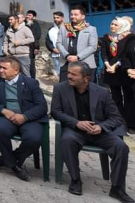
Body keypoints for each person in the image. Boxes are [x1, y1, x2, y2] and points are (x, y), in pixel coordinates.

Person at [51, 62, 132, 201]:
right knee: (67, 140)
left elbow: (116, 117)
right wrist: (76, 123)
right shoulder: (60, 88)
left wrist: (101, 127)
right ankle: (75, 180)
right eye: (68, 73)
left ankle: (117, 188)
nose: (68, 76)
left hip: (99, 132)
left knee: (121, 147)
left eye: (73, 74)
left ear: (86, 79)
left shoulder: (102, 92)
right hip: (75, 131)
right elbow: (55, 112)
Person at [0, 56, 48, 181]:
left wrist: (25, 116)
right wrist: (3, 110)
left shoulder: (31, 83)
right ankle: (14, 166)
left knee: (34, 138)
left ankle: (7, 158)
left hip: (28, 118)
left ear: (16, 70)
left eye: (4, 68)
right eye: (0, 67)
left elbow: (42, 106)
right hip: (7, 117)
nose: (1, 70)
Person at [100, 17, 135, 131]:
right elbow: (104, 52)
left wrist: (116, 65)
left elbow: (124, 55)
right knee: (116, 98)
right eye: (112, 24)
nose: (112, 26)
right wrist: (107, 64)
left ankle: (130, 123)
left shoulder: (128, 38)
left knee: (128, 98)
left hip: (123, 71)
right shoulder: (107, 37)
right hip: (110, 71)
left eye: (116, 24)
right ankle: (120, 122)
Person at [56, 5, 98, 82]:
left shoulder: (91, 29)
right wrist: (67, 55)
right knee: (66, 89)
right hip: (67, 63)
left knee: (86, 89)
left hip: (85, 63)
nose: (72, 16)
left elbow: (92, 47)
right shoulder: (64, 28)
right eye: (71, 14)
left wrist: (78, 57)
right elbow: (58, 43)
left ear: (83, 16)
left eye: (76, 14)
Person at [45, 11, 65, 77]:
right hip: (55, 54)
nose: (55, 19)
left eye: (57, 17)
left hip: (66, 54)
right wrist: (53, 49)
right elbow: (47, 41)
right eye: (54, 18)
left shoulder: (68, 28)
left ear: (62, 18)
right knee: (58, 72)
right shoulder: (51, 29)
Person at [25, 10, 42, 79]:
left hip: (31, 48)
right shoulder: (24, 24)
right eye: (27, 15)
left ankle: (32, 81)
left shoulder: (35, 24)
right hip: (24, 48)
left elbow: (37, 36)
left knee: (31, 66)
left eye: (30, 15)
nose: (27, 16)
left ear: (34, 17)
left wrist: (36, 47)